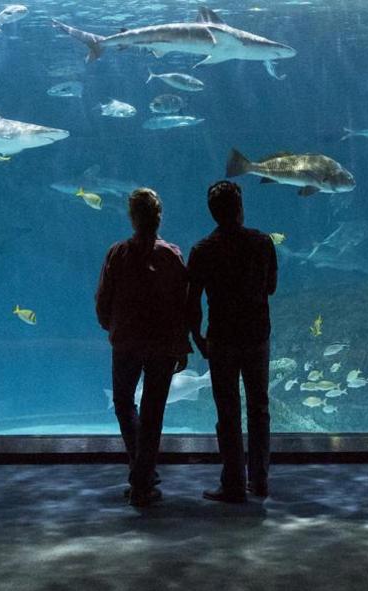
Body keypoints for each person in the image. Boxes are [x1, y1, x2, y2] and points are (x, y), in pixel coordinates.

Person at [95, 188, 191, 507]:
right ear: (159, 217)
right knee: (153, 411)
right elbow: (183, 305)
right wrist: (182, 345)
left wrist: (114, 327)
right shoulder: (172, 255)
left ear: (132, 217)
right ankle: (143, 475)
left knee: (124, 403)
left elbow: (103, 301)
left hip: (126, 343)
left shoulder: (117, 253)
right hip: (162, 345)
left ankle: (141, 474)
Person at [187, 180, 278, 503]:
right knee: (259, 408)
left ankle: (234, 483)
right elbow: (271, 287)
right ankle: (261, 480)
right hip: (256, 336)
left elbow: (192, 300)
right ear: (240, 208)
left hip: (221, 339)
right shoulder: (262, 243)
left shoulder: (202, 250)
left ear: (213, 213)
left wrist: (197, 336)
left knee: (228, 412)